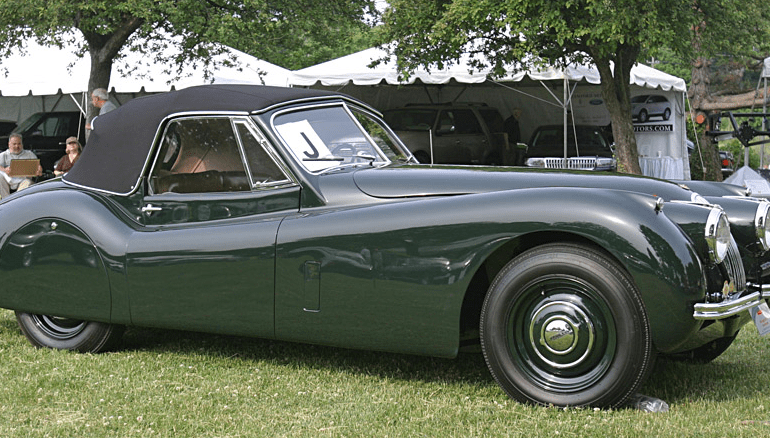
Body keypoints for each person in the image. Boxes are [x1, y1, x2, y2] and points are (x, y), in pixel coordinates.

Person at [0, 133, 42, 199]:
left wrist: (39, 171)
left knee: (27, 183)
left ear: (22, 144)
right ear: (9, 144)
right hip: (8, 181)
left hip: (24, 180)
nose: (17, 146)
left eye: (19, 144)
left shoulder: (29, 154)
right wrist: (4, 169)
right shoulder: (4, 155)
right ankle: (6, 201)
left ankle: (17, 201)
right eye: (14, 144)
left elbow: (38, 166)